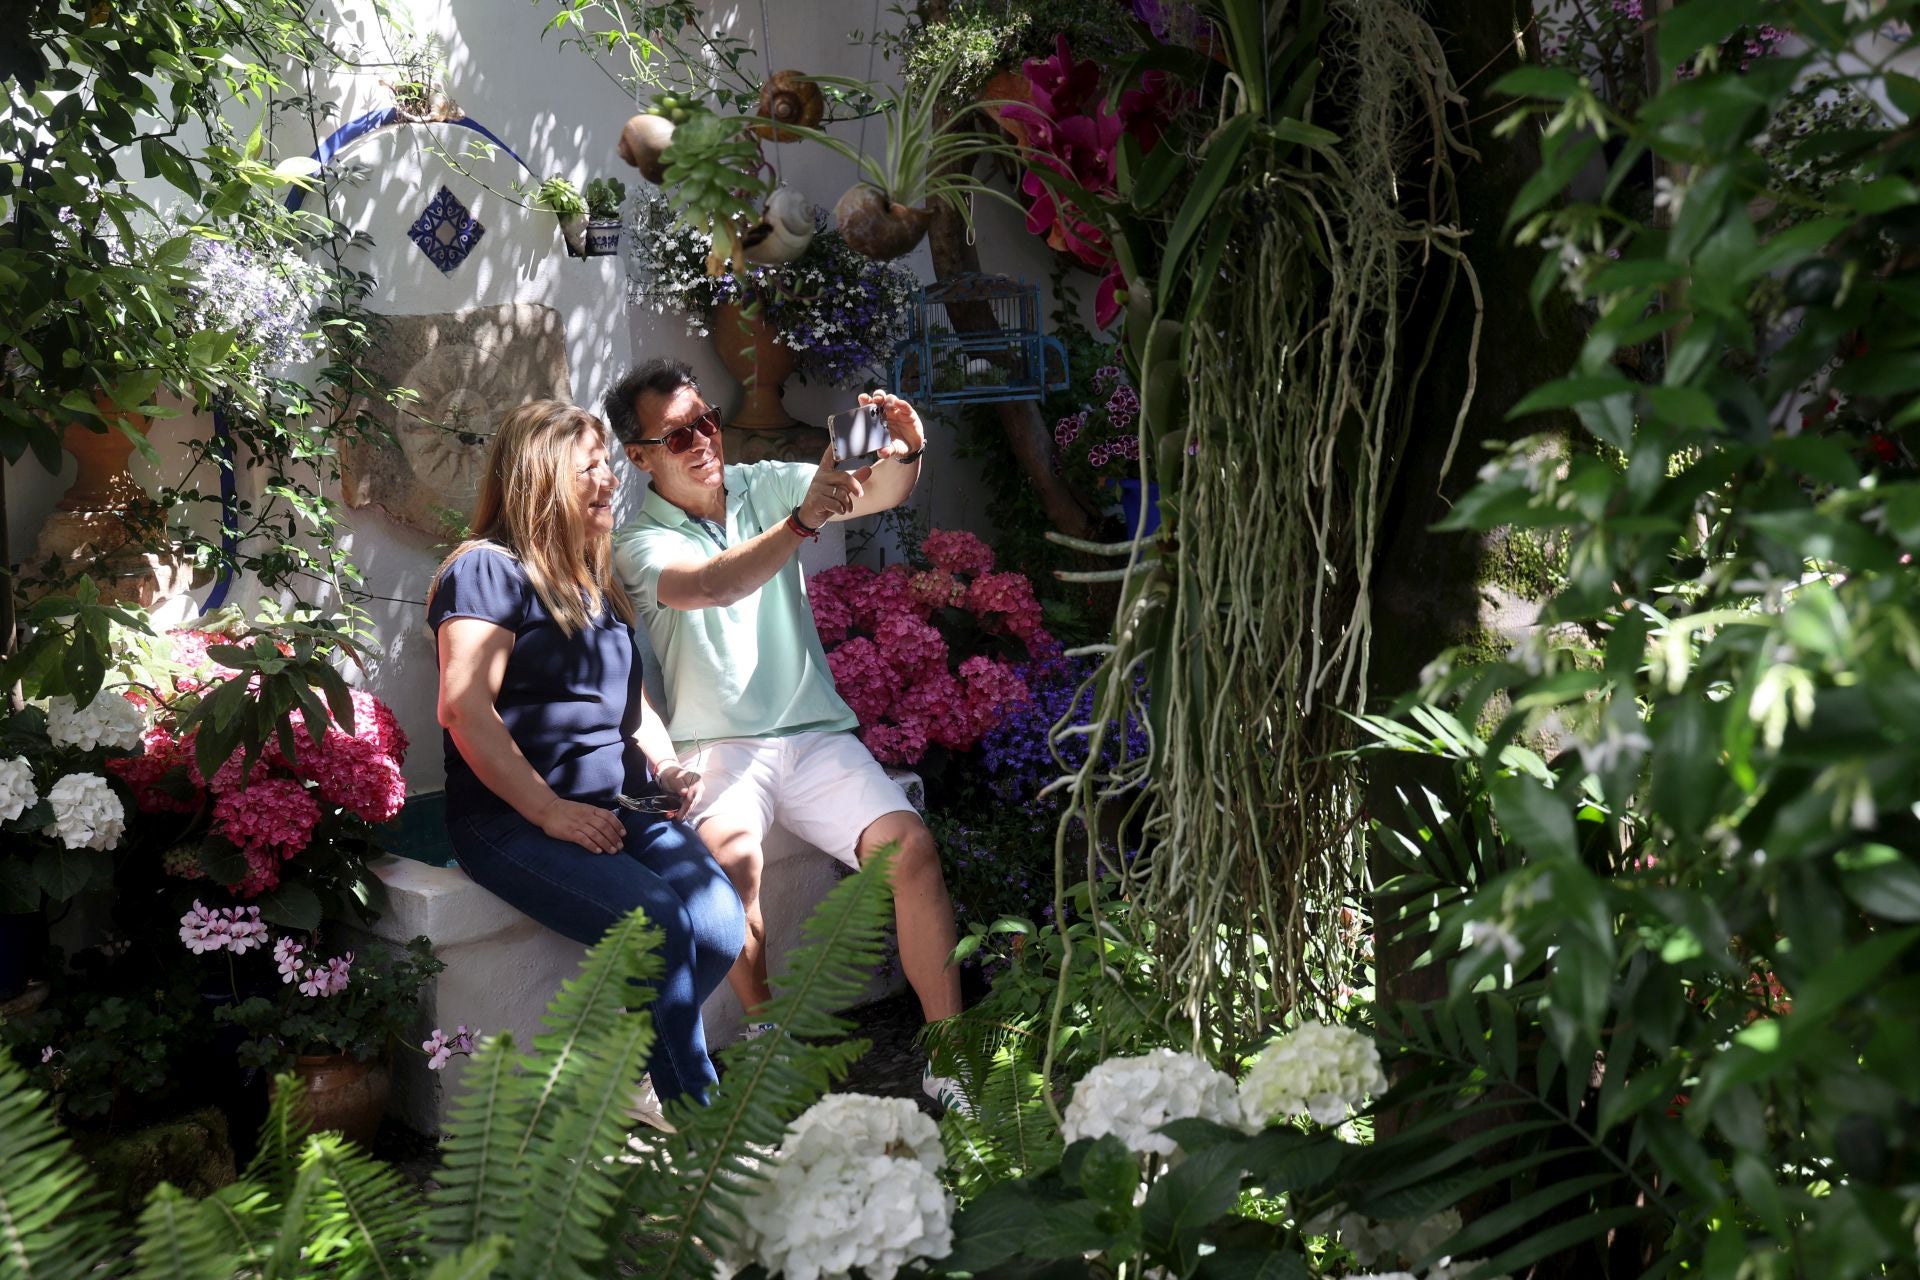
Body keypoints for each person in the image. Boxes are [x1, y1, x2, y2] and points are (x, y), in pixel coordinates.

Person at [604, 359, 970, 1112]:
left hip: (812, 732)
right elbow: (711, 585)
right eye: (678, 435)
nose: (703, 439)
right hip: (718, 745)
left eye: (706, 419)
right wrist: (801, 522)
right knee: (732, 872)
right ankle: (772, 1038)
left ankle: (950, 1056)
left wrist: (908, 449)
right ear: (639, 456)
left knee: (911, 852)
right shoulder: (637, 543)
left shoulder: (764, 482)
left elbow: (872, 491)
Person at [428, 398, 745, 1122]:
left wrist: (665, 768)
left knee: (720, 923)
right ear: (540, 480)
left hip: (620, 804)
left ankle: (628, 1069)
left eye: (608, 465)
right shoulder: (485, 570)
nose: (609, 480)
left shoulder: (590, 581)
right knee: (657, 921)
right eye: (590, 468)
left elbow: (632, 711)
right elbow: (463, 708)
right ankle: (708, 1128)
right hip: (512, 819)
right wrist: (550, 811)